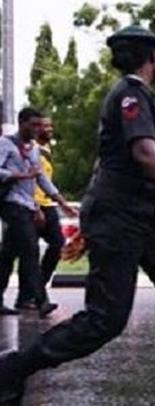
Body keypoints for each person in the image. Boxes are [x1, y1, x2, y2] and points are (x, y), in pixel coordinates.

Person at [0, 26, 155, 406]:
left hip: (151, 217)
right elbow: (144, 153)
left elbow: (109, 160)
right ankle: (13, 369)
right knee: (105, 320)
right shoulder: (129, 95)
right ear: (153, 59)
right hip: (120, 217)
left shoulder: (143, 99)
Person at [0, 109, 76, 318]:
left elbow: (41, 179)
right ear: (21, 123)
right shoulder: (6, 144)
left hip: (27, 204)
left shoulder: (33, 149)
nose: (37, 129)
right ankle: (41, 300)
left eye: (38, 125)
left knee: (8, 253)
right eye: (33, 125)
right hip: (10, 204)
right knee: (30, 249)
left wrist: (62, 203)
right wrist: (19, 175)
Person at [14, 117, 66, 310]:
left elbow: (45, 180)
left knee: (57, 244)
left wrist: (61, 202)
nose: (49, 129)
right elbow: (31, 181)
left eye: (50, 126)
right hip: (34, 205)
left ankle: (35, 293)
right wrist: (35, 207)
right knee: (28, 251)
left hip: (48, 204)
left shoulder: (45, 151)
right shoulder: (30, 150)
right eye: (45, 126)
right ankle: (28, 296)